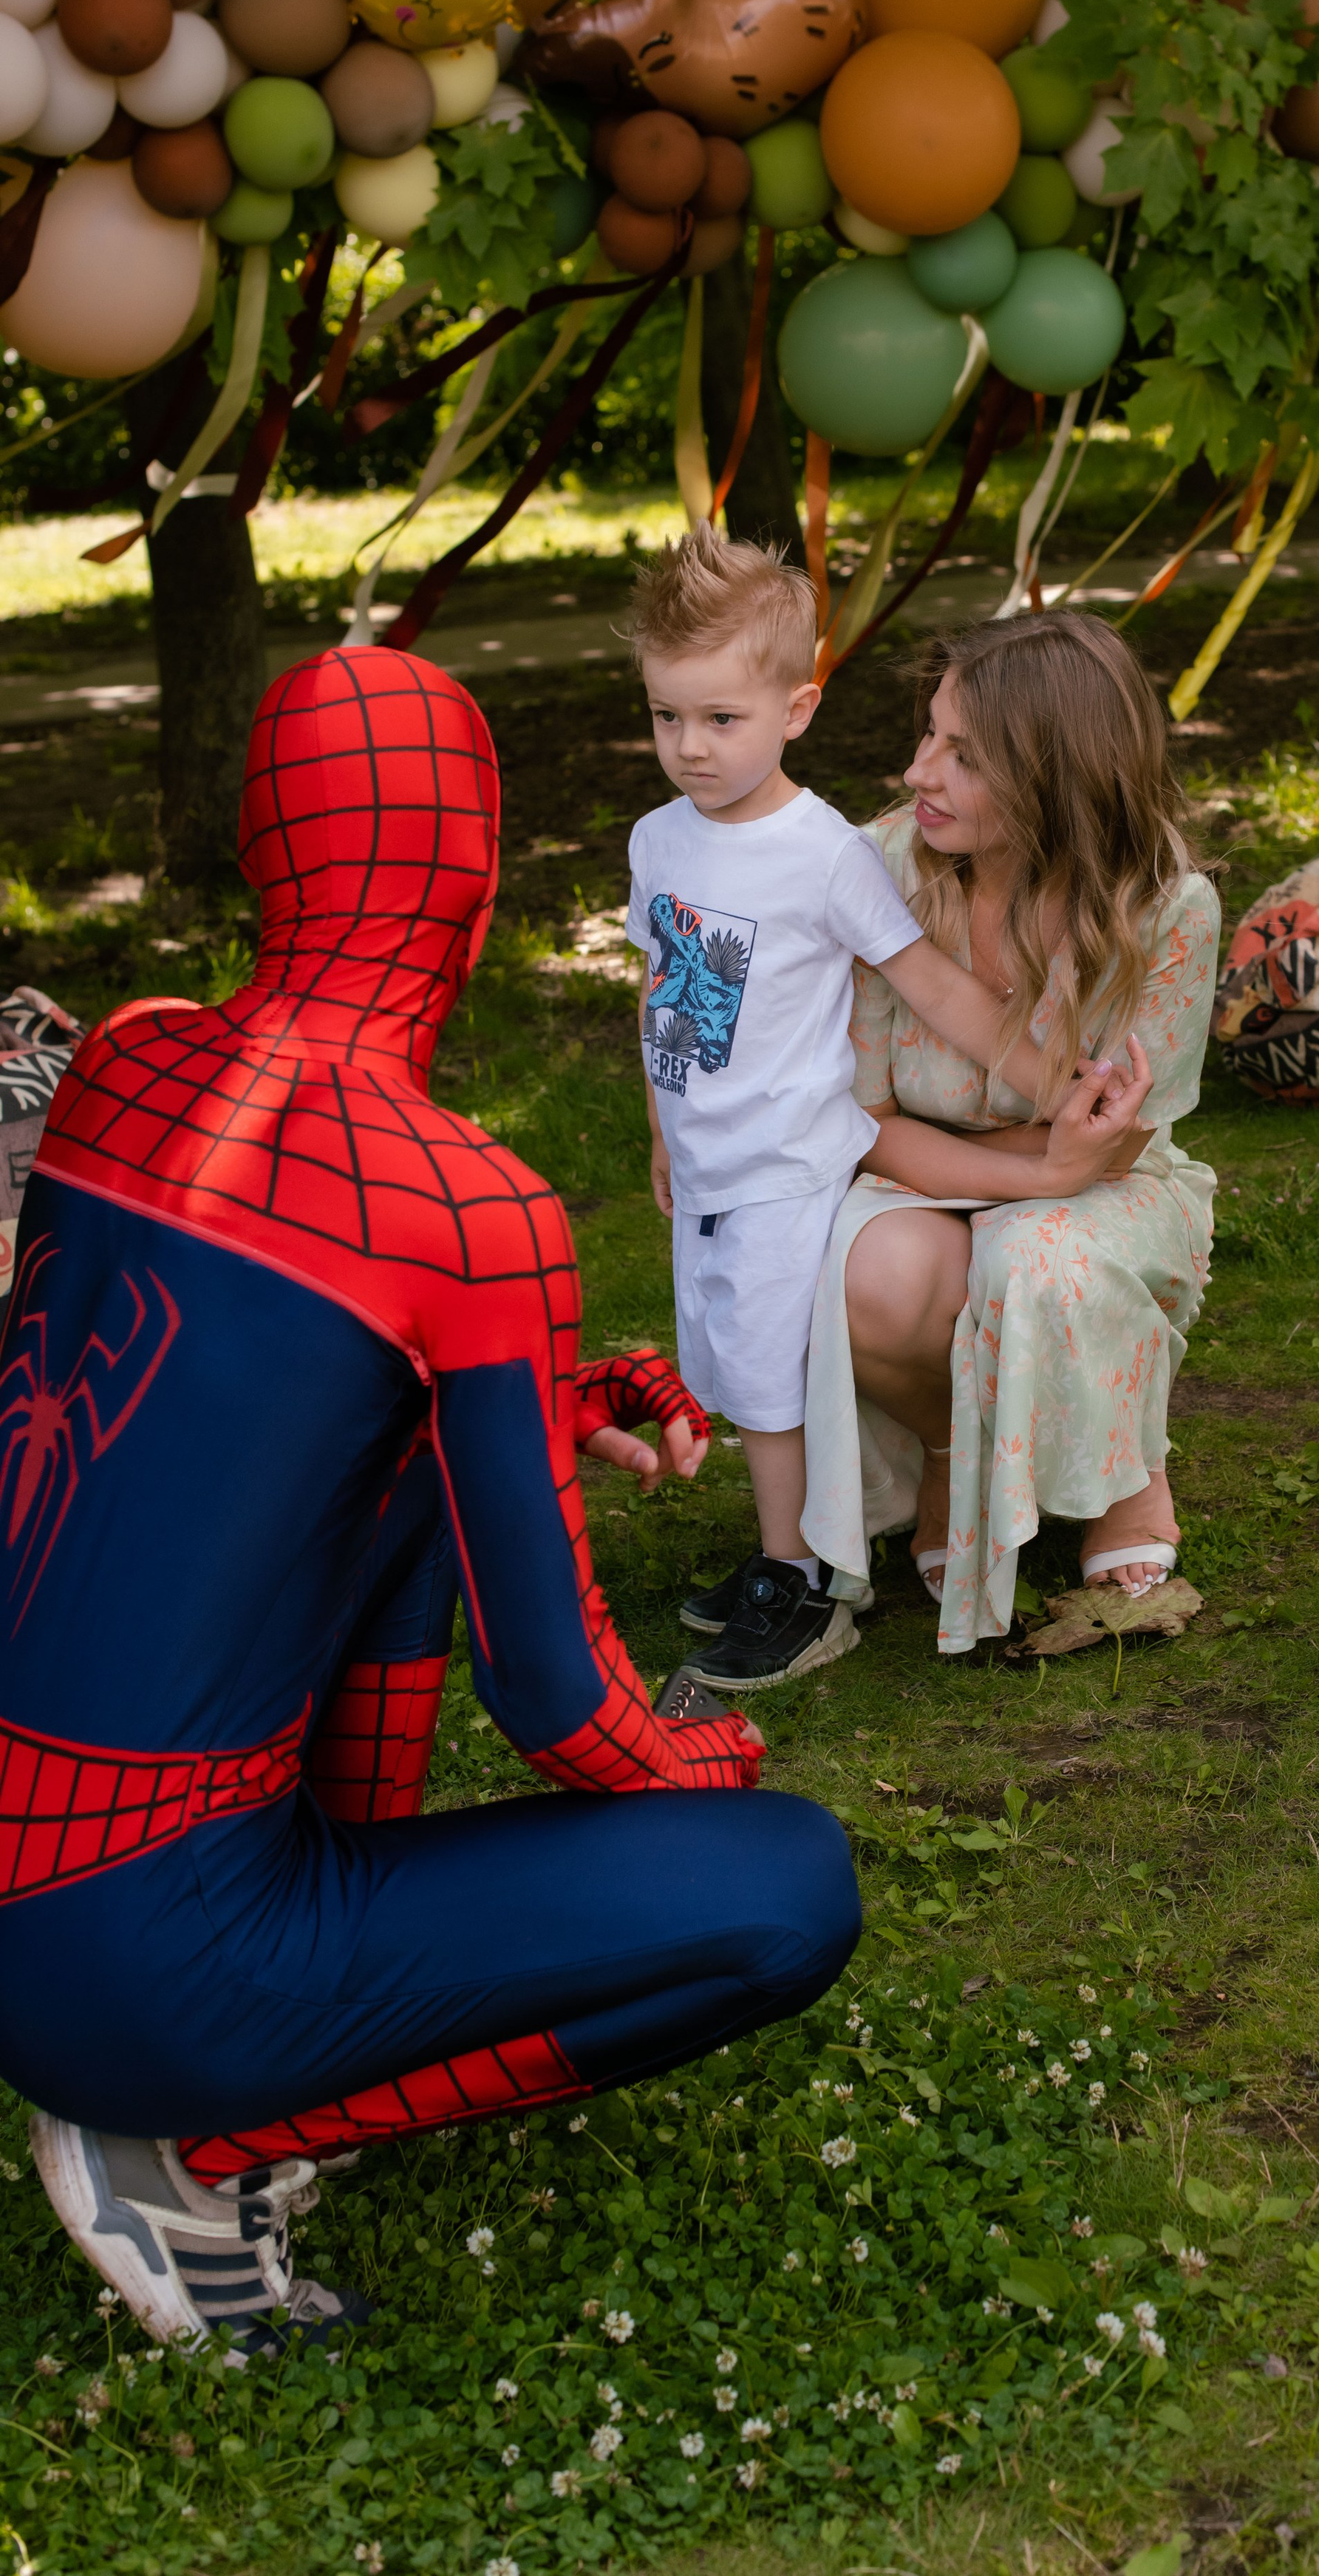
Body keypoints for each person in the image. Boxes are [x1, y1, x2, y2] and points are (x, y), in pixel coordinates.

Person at [0, 644, 862, 2359]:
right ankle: (194, 2141)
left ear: (267, 848)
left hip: (40, 1869)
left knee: (404, 1455)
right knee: (784, 1890)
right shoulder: (470, 1210)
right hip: (143, 1955)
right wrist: (704, 1753)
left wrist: (530, 1396)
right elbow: (559, 1708)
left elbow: (227, 1387)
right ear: (469, 886)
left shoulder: (127, 1060)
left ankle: (238, 2019)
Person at [626, 529, 1136, 1693]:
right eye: (667, 718)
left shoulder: (824, 854)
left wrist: (1063, 1080)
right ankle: (800, 1549)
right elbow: (664, 995)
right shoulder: (657, 842)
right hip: (707, 1164)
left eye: (721, 720)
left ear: (796, 709)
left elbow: (936, 986)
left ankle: (802, 1586)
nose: (691, 749)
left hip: (788, 1162)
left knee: (764, 1374)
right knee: (724, 1361)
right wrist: (661, 1125)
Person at [800, 611, 1219, 1656]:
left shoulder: (1165, 904)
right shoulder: (877, 870)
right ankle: (954, 1443)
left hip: (1108, 1182)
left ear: (1057, 778)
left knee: (1042, 1257)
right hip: (922, 1167)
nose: (918, 770)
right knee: (863, 1270)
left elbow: (1109, 1145)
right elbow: (864, 1121)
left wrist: (1053, 1181)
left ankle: (1126, 1468)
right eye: (930, 735)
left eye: (964, 755)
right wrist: (1031, 1170)